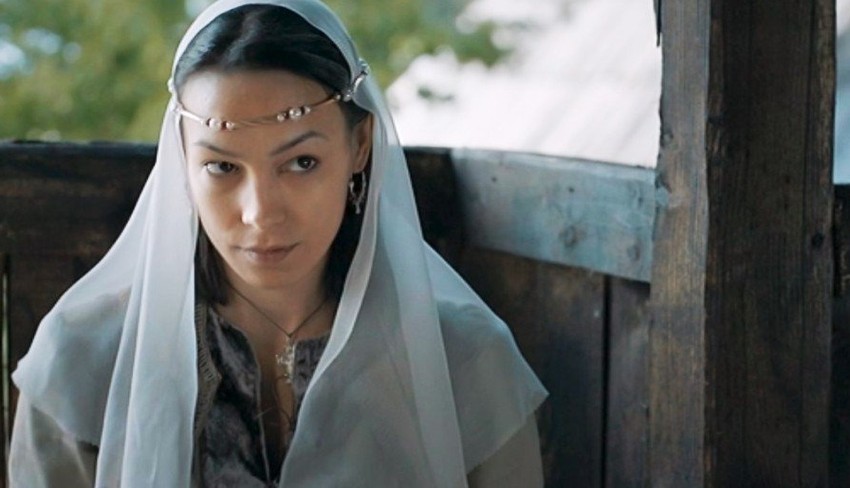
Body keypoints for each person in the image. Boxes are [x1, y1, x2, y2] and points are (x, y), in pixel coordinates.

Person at [8, 0, 548, 486]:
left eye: (301, 162)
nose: (260, 212)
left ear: (360, 145)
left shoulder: (465, 362)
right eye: (222, 167)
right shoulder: (81, 360)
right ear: (181, 158)